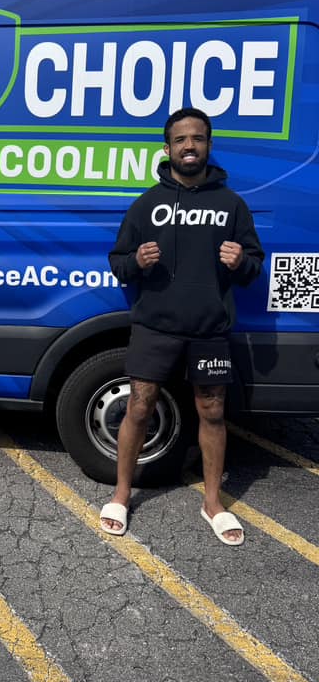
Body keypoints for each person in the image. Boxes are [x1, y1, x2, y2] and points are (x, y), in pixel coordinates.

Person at [100, 107, 264, 546]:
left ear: (208, 145)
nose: (189, 146)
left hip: (208, 329)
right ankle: (120, 494)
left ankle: (213, 503)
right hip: (155, 327)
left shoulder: (232, 204)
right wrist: (135, 261)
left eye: (197, 138)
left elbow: (254, 266)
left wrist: (241, 262)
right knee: (138, 406)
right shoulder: (148, 204)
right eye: (180, 140)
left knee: (211, 412)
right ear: (168, 147)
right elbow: (117, 262)